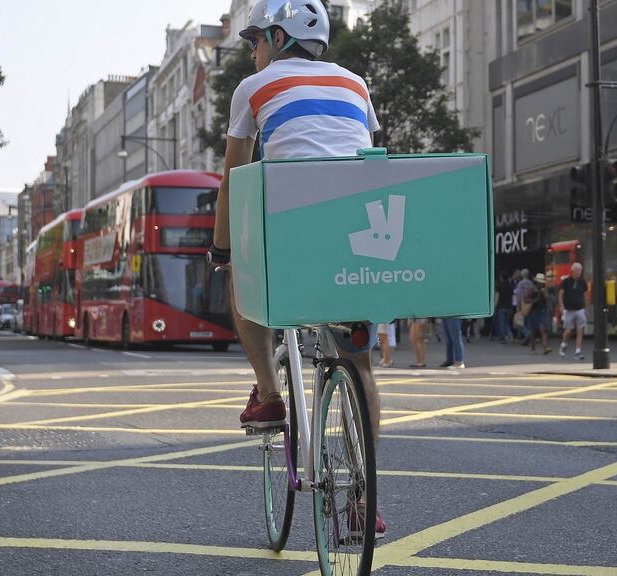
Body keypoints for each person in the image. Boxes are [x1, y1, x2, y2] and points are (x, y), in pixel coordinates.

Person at [207, 0, 385, 539]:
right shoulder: (356, 84)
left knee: (242, 277)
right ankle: (366, 498)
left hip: (292, 234)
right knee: (360, 364)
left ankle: (268, 395)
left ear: (280, 38)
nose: (253, 51)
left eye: (256, 39)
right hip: (358, 239)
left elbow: (233, 179)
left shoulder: (252, 88)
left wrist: (222, 250)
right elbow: (365, 161)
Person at [558, 262, 588, 360]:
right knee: (568, 330)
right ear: (573, 271)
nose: (579, 272)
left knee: (580, 329)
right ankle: (563, 344)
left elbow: (585, 295)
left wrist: (586, 308)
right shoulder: (566, 282)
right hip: (569, 309)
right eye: (577, 270)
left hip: (580, 309)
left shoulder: (582, 282)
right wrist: (561, 306)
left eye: (580, 271)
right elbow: (561, 294)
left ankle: (578, 351)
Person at [526, 273, 552, 354]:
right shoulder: (531, 289)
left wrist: (544, 292)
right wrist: (533, 301)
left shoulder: (544, 289)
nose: (541, 284)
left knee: (543, 329)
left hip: (542, 311)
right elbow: (525, 299)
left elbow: (548, 298)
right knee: (533, 331)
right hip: (533, 311)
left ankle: (545, 348)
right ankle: (533, 348)